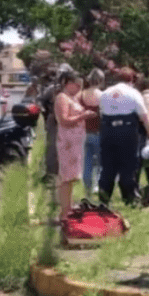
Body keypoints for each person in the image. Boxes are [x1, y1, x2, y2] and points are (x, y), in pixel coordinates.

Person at [98, 67, 149, 206]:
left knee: (108, 165)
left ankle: (104, 195)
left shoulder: (105, 93)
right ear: (131, 80)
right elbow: (144, 117)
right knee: (128, 164)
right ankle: (129, 196)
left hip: (108, 130)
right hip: (127, 130)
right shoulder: (133, 93)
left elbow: (101, 113)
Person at [53, 71, 95, 220]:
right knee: (66, 177)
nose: (79, 88)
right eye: (77, 85)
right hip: (67, 143)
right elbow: (64, 120)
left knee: (71, 177)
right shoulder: (62, 98)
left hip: (76, 142)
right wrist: (83, 116)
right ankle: (64, 212)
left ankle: (69, 208)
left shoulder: (73, 98)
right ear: (68, 84)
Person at [80, 69, 104, 193]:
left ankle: (87, 185)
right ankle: (97, 185)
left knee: (87, 161)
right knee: (100, 162)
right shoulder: (102, 96)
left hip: (84, 132)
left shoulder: (81, 95)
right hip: (99, 132)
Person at [37, 68, 61, 182]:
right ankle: (51, 175)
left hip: (69, 123)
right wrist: (45, 111)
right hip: (54, 121)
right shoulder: (52, 89)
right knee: (52, 148)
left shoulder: (74, 90)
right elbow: (40, 100)